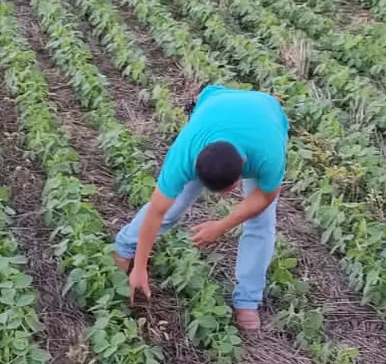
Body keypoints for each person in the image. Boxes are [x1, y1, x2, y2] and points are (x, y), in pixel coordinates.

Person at [113, 84, 288, 333]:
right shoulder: (186, 151)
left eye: (228, 189)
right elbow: (157, 210)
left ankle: (247, 301)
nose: (225, 195)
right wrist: (140, 267)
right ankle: (124, 248)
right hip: (215, 107)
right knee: (174, 206)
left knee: (261, 223)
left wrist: (221, 226)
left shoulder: (268, 153)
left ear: (244, 165)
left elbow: (266, 197)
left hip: (264, 114)